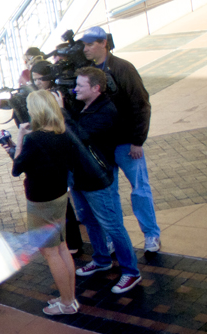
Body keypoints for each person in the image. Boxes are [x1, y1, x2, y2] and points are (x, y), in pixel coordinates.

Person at [80, 26, 161, 252]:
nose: (85, 49)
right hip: (102, 146)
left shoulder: (123, 68)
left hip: (127, 143)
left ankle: (151, 235)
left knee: (140, 189)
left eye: (90, 44)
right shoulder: (84, 73)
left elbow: (141, 104)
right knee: (109, 193)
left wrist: (137, 140)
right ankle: (115, 238)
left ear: (103, 43)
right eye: (84, 45)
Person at [66, 67, 141, 294]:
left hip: (99, 179)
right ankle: (101, 260)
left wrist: (61, 111)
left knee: (113, 225)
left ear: (96, 88)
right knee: (89, 220)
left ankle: (131, 272)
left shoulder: (106, 110)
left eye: (80, 85)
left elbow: (79, 136)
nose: (74, 89)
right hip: (80, 176)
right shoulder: (84, 105)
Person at [8, 90, 79, 315]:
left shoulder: (34, 139)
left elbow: (16, 168)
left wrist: (19, 137)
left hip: (41, 200)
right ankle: (70, 297)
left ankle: (67, 304)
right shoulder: (63, 132)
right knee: (61, 247)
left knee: (50, 252)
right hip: (59, 194)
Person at [29, 60, 83, 255]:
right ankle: (69, 241)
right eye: (34, 80)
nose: (37, 83)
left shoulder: (58, 96)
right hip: (53, 160)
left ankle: (74, 242)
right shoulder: (42, 95)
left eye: (40, 79)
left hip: (62, 159)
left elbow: (69, 127)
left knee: (66, 205)